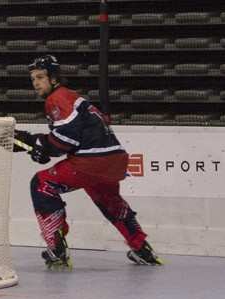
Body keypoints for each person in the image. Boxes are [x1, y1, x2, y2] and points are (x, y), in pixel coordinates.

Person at [14, 55, 163, 269]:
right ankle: (142, 248)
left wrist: (40, 146)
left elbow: (65, 140)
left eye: (40, 77)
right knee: (110, 201)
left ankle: (56, 249)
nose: (36, 83)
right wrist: (38, 145)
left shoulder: (57, 98)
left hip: (92, 160)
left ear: (54, 79)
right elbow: (67, 138)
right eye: (33, 79)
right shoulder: (73, 97)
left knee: (41, 184)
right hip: (114, 159)